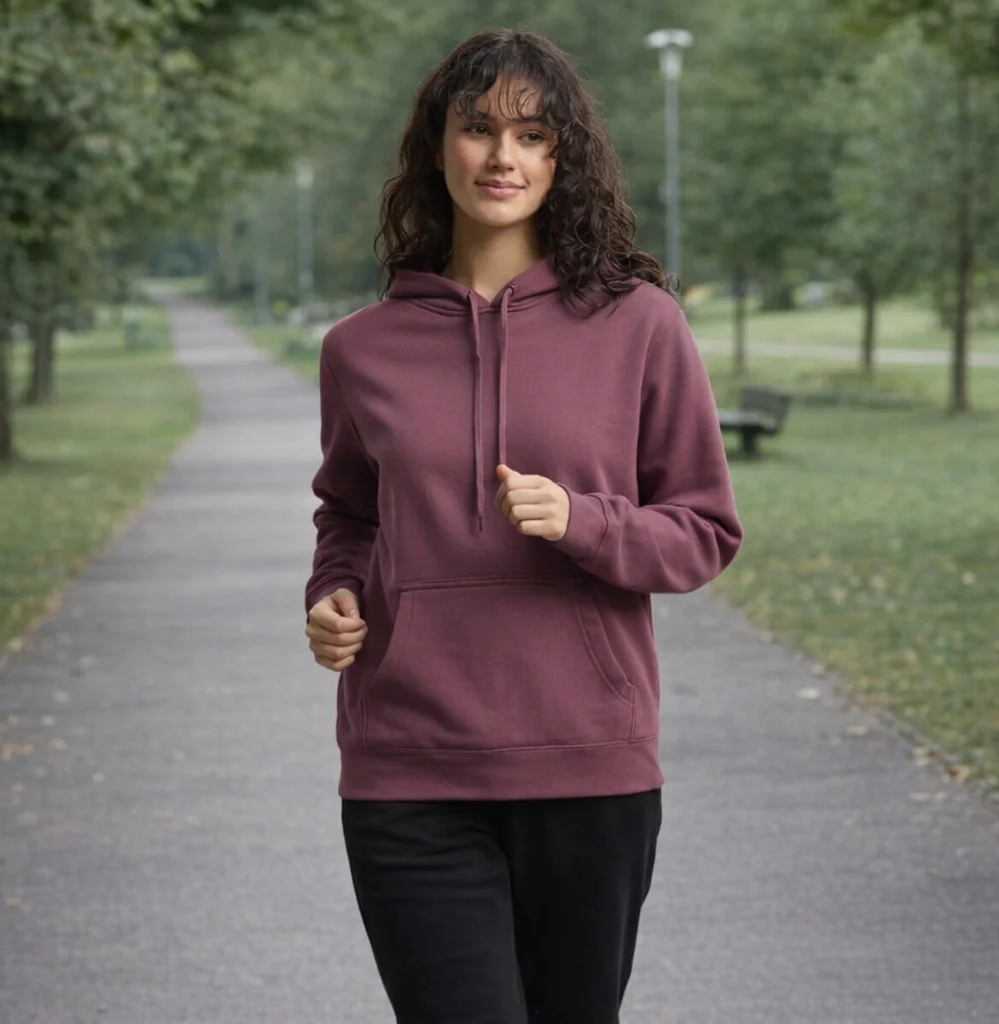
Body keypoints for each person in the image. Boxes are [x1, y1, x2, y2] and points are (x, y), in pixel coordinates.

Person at [303, 27, 743, 1024]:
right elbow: (351, 513)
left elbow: (703, 530)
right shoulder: (360, 350)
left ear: (561, 158)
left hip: (587, 762)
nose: (503, 157)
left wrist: (585, 520)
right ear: (437, 147)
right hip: (408, 766)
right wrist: (333, 593)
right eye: (478, 128)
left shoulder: (639, 323)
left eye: (532, 135)